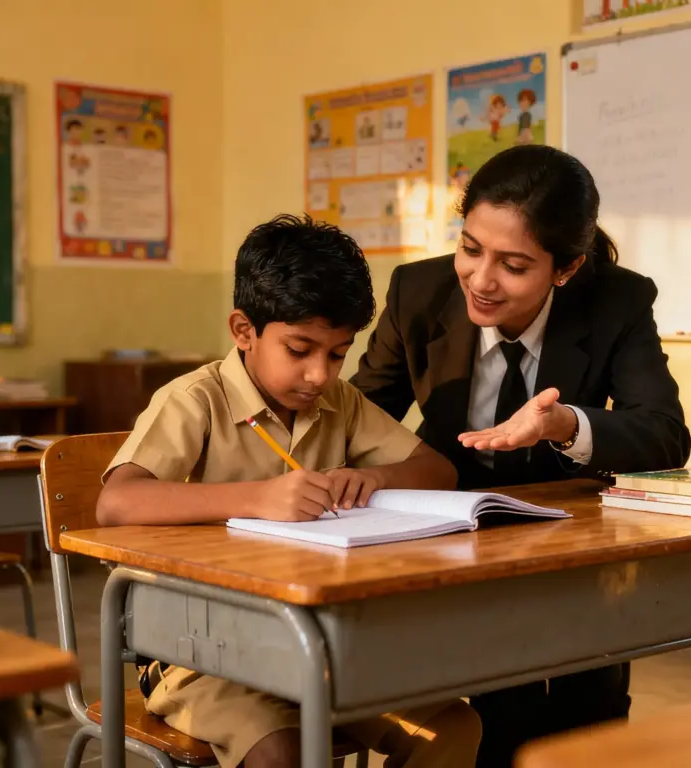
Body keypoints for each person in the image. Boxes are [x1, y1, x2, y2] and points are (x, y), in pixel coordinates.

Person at [97, 214, 481, 768]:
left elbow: (436, 469)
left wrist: (377, 477)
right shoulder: (195, 400)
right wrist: (256, 498)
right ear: (243, 330)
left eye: (337, 353)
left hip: (316, 644)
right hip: (202, 653)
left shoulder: (339, 404)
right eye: (299, 349)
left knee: (451, 727)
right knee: (282, 753)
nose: (319, 374)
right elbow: (117, 501)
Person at [351, 144, 691, 767]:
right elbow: (361, 416)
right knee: (485, 720)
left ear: (565, 269)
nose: (481, 280)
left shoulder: (616, 301)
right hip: (450, 546)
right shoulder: (417, 292)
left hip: (573, 550)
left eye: (513, 265)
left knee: (587, 725)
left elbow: (665, 434)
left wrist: (564, 425)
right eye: (470, 248)